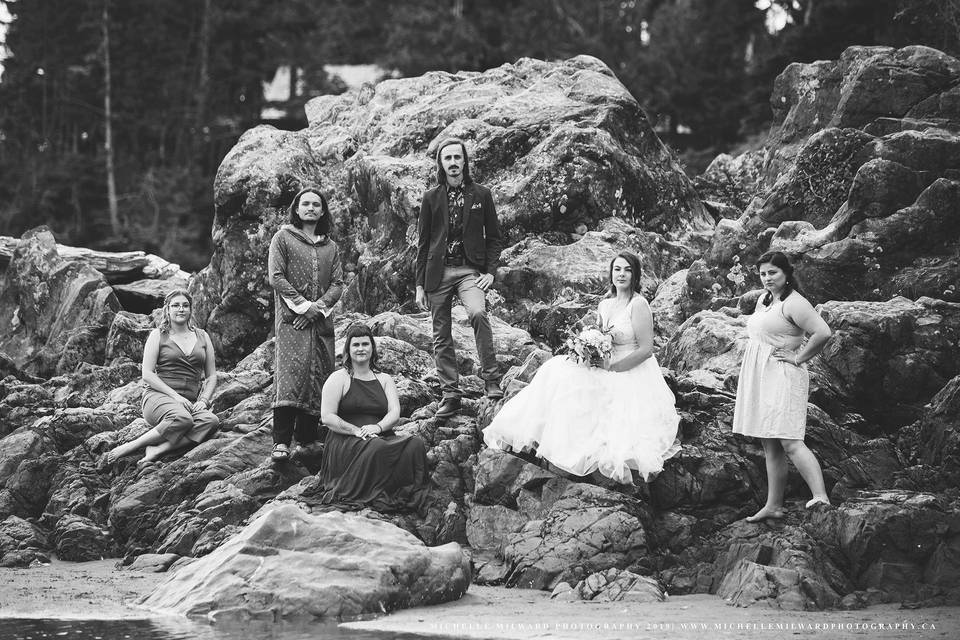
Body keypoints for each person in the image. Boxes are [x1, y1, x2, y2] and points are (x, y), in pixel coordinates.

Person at [482, 251, 681, 484]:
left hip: (630, 368)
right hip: (604, 362)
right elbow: (601, 337)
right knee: (555, 370)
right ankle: (539, 434)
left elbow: (646, 349)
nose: (622, 274)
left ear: (635, 274)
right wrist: (587, 350)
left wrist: (613, 367)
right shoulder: (606, 304)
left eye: (627, 269)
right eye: (617, 269)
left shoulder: (638, 305)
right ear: (611, 273)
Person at [732, 251, 833, 522]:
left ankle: (820, 496)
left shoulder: (795, 303)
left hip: (783, 376)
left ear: (787, 273)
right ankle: (773, 505)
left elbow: (823, 332)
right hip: (762, 375)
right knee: (770, 445)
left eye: (773, 273)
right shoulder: (765, 299)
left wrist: (799, 357)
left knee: (790, 441)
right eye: (763, 273)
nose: (767, 278)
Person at [415, 137, 505, 419]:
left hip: (470, 271)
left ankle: (491, 379)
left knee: (478, 313)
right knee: (440, 333)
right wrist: (419, 285)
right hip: (437, 273)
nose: (453, 163)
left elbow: (494, 238)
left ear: (465, 161)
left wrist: (490, 272)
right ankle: (450, 393)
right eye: (447, 158)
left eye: (457, 157)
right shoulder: (431, 197)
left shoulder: (482, 194)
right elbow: (423, 242)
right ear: (441, 164)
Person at [317, 323, 429, 512]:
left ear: (372, 348)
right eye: (356, 345)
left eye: (365, 344)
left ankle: (398, 491)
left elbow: (394, 412)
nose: (361, 349)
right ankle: (369, 491)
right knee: (377, 447)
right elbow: (327, 416)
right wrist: (357, 431)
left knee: (415, 444)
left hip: (379, 434)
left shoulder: (384, 379)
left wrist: (377, 428)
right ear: (348, 349)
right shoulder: (339, 378)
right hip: (346, 439)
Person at [268, 185, 344, 462]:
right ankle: (281, 442)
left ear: (322, 211)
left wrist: (317, 309)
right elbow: (276, 277)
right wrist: (302, 306)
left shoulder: (330, 246)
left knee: (319, 374)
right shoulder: (283, 238)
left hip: (320, 323)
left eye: (316, 204)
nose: (310, 208)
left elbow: (338, 284)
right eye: (305, 204)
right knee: (291, 374)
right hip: (291, 321)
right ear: (297, 209)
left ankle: (308, 439)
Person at [101, 289, 219, 467]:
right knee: (183, 419)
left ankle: (159, 449)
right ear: (167, 310)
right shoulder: (158, 335)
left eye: (185, 305)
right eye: (176, 305)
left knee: (211, 421)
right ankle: (131, 446)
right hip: (158, 398)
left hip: (189, 402)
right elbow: (147, 374)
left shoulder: (203, 336)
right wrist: (176, 397)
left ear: (191, 309)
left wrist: (204, 400)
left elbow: (211, 376)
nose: (181, 309)